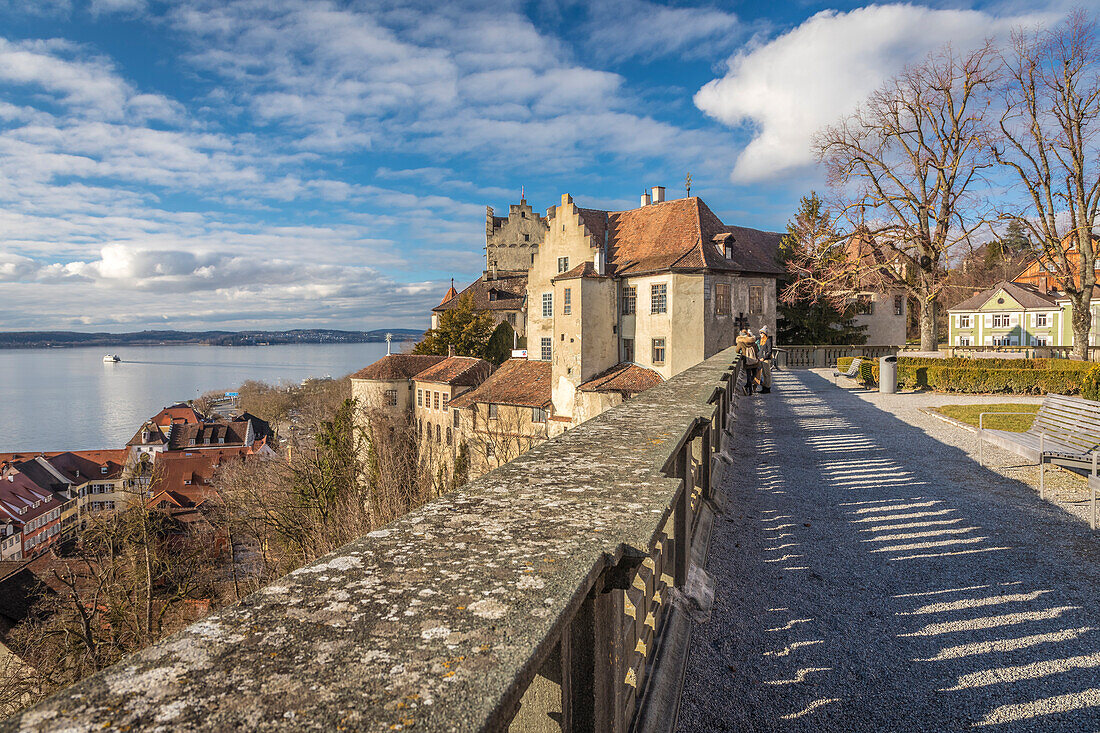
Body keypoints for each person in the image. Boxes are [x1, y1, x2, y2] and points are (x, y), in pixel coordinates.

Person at [735, 328, 760, 394]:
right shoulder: (752, 341)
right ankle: (749, 389)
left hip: (747, 361)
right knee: (754, 374)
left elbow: (737, 351)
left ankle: (747, 387)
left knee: (748, 375)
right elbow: (757, 350)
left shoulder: (740, 342)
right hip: (754, 360)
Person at [757, 326, 773, 394]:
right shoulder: (761, 340)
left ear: (764, 333)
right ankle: (765, 387)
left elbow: (769, 351)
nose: (760, 334)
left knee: (767, 374)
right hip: (761, 359)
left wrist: (764, 357)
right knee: (764, 374)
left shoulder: (768, 340)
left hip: (765, 359)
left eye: (761, 333)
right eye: (760, 333)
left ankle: (767, 387)